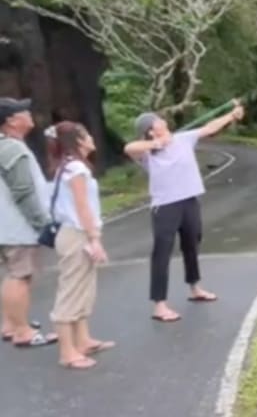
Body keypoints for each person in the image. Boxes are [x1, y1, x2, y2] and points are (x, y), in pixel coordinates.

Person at [123, 102, 245, 322]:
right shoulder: (148, 154)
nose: (162, 121)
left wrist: (231, 116)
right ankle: (159, 305)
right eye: (157, 121)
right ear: (151, 130)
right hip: (166, 206)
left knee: (192, 243)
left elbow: (209, 128)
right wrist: (158, 143)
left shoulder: (183, 138)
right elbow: (129, 148)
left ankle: (195, 287)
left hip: (189, 200)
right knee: (162, 252)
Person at [45, 122, 113, 369]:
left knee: (84, 286)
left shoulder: (67, 166)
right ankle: (67, 352)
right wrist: (94, 238)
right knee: (72, 290)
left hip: (75, 233)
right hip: (77, 234)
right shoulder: (76, 168)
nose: (92, 138)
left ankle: (82, 340)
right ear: (79, 140)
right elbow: (82, 207)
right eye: (87, 134)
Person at [0, 97, 56, 348]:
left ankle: (11, 324)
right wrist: (41, 222)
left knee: (15, 274)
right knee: (19, 276)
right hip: (18, 226)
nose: (29, 114)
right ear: (12, 121)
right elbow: (23, 190)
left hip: (7, 226)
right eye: (24, 111)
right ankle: (22, 331)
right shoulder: (12, 148)